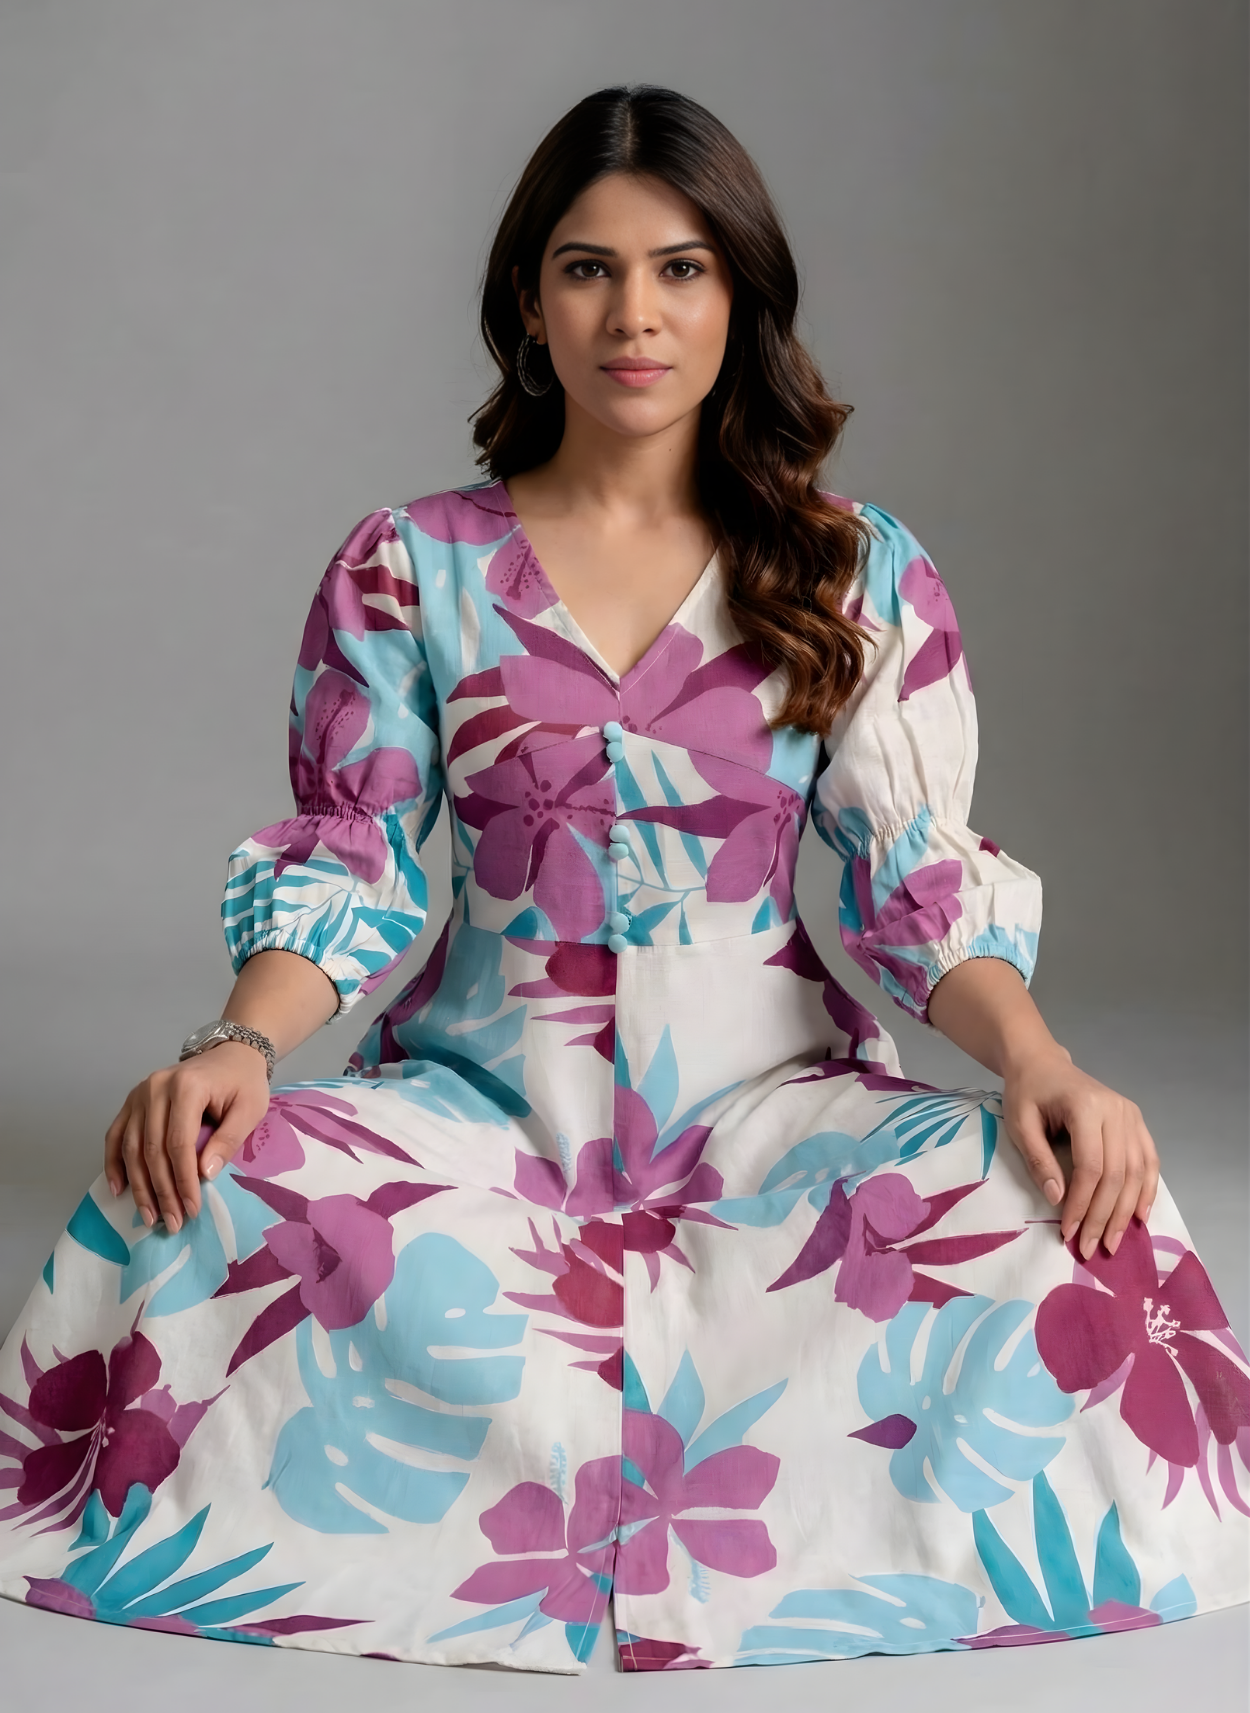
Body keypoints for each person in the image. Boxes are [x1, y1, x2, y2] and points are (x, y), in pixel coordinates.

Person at [0, 85, 1245, 1676]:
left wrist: (1038, 1063)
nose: (633, 315)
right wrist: (238, 1045)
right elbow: (358, 854)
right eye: (586, 269)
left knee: (1045, 1205)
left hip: (772, 1122)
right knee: (206, 1185)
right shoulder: (408, 566)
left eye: (681, 270)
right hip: (476, 1113)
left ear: (740, 298)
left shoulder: (852, 568)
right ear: (529, 302)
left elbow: (908, 877)